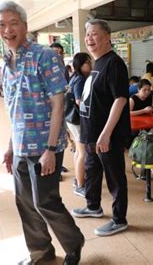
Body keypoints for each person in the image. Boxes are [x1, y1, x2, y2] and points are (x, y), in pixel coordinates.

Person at [0, 0, 84, 265]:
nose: (7, 30)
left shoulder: (45, 56)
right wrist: (11, 147)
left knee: (45, 202)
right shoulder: (7, 64)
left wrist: (50, 150)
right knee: (25, 204)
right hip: (21, 147)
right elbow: (15, 111)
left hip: (44, 147)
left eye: (13, 23)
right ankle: (41, 251)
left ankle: (73, 243)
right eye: (2, 25)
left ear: (24, 25)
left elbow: (59, 104)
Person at [71, 19, 130, 237]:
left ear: (107, 37)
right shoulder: (99, 63)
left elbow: (120, 99)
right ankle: (93, 206)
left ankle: (119, 219)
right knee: (92, 170)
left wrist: (105, 134)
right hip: (91, 134)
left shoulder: (114, 63)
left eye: (94, 34)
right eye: (87, 34)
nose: (89, 38)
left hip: (107, 136)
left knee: (115, 177)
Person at [66, 52, 92, 198]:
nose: (91, 64)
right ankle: (80, 186)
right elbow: (78, 101)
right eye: (87, 62)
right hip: (77, 120)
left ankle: (78, 179)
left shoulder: (74, 77)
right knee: (83, 153)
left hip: (71, 119)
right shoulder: (81, 79)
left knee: (78, 151)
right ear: (80, 65)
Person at [50, 42, 70, 174]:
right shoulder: (47, 69)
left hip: (64, 109)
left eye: (60, 52)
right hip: (50, 112)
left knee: (62, 138)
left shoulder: (64, 69)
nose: (57, 55)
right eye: (54, 52)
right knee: (53, 140)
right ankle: (54, 170)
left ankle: (59, 165)